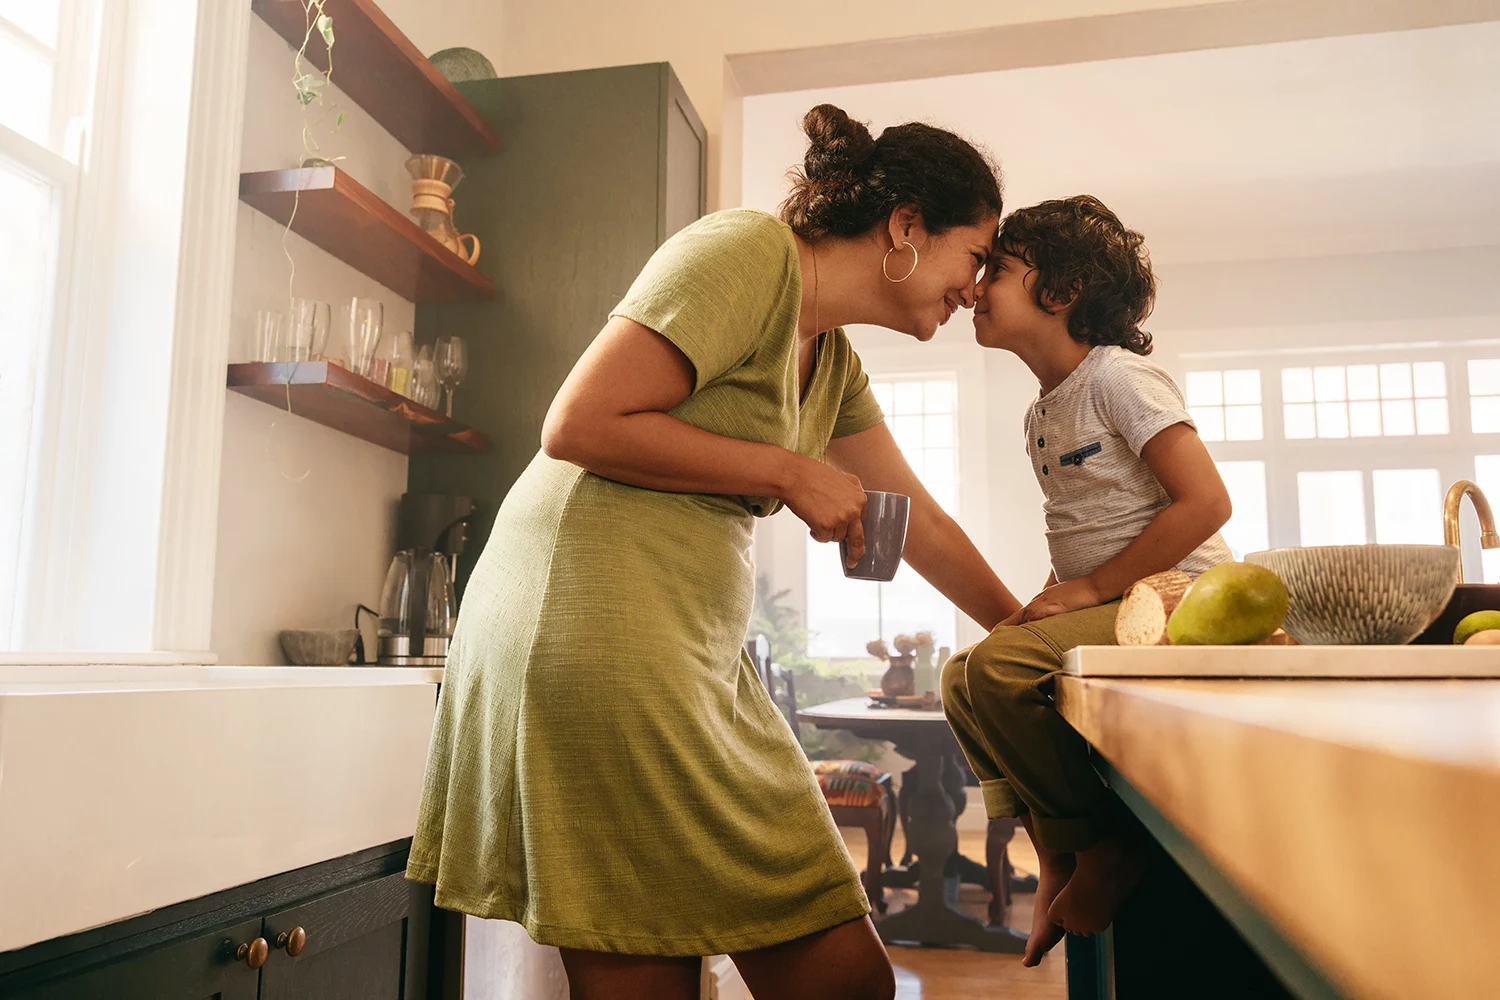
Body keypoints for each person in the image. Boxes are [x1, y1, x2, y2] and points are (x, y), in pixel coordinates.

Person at [407, 104, 1022, 1000]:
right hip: (589, 620)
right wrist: (786, 471)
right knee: (651, 963)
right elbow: (576, 423)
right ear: (905, 228)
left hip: (687, 648)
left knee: (845, 978)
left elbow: (914, 517)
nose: (975, 289)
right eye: (974, 257)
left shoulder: (834, 360)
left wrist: (1023, 626)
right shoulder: (745, 254)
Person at [941, 195, 1233, 968]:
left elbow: (1206, 502)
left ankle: (1103, 849)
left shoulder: (1120, 378)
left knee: (1002, 668)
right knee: (961, 675)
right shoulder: (1042, 411)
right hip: (1116, 594)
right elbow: (1084, 524)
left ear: (1062, 292)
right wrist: (1054, 594)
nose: (974, 287)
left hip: (1179, 599)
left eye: (996, 271)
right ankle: (1056, 852)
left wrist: (1092, 588)